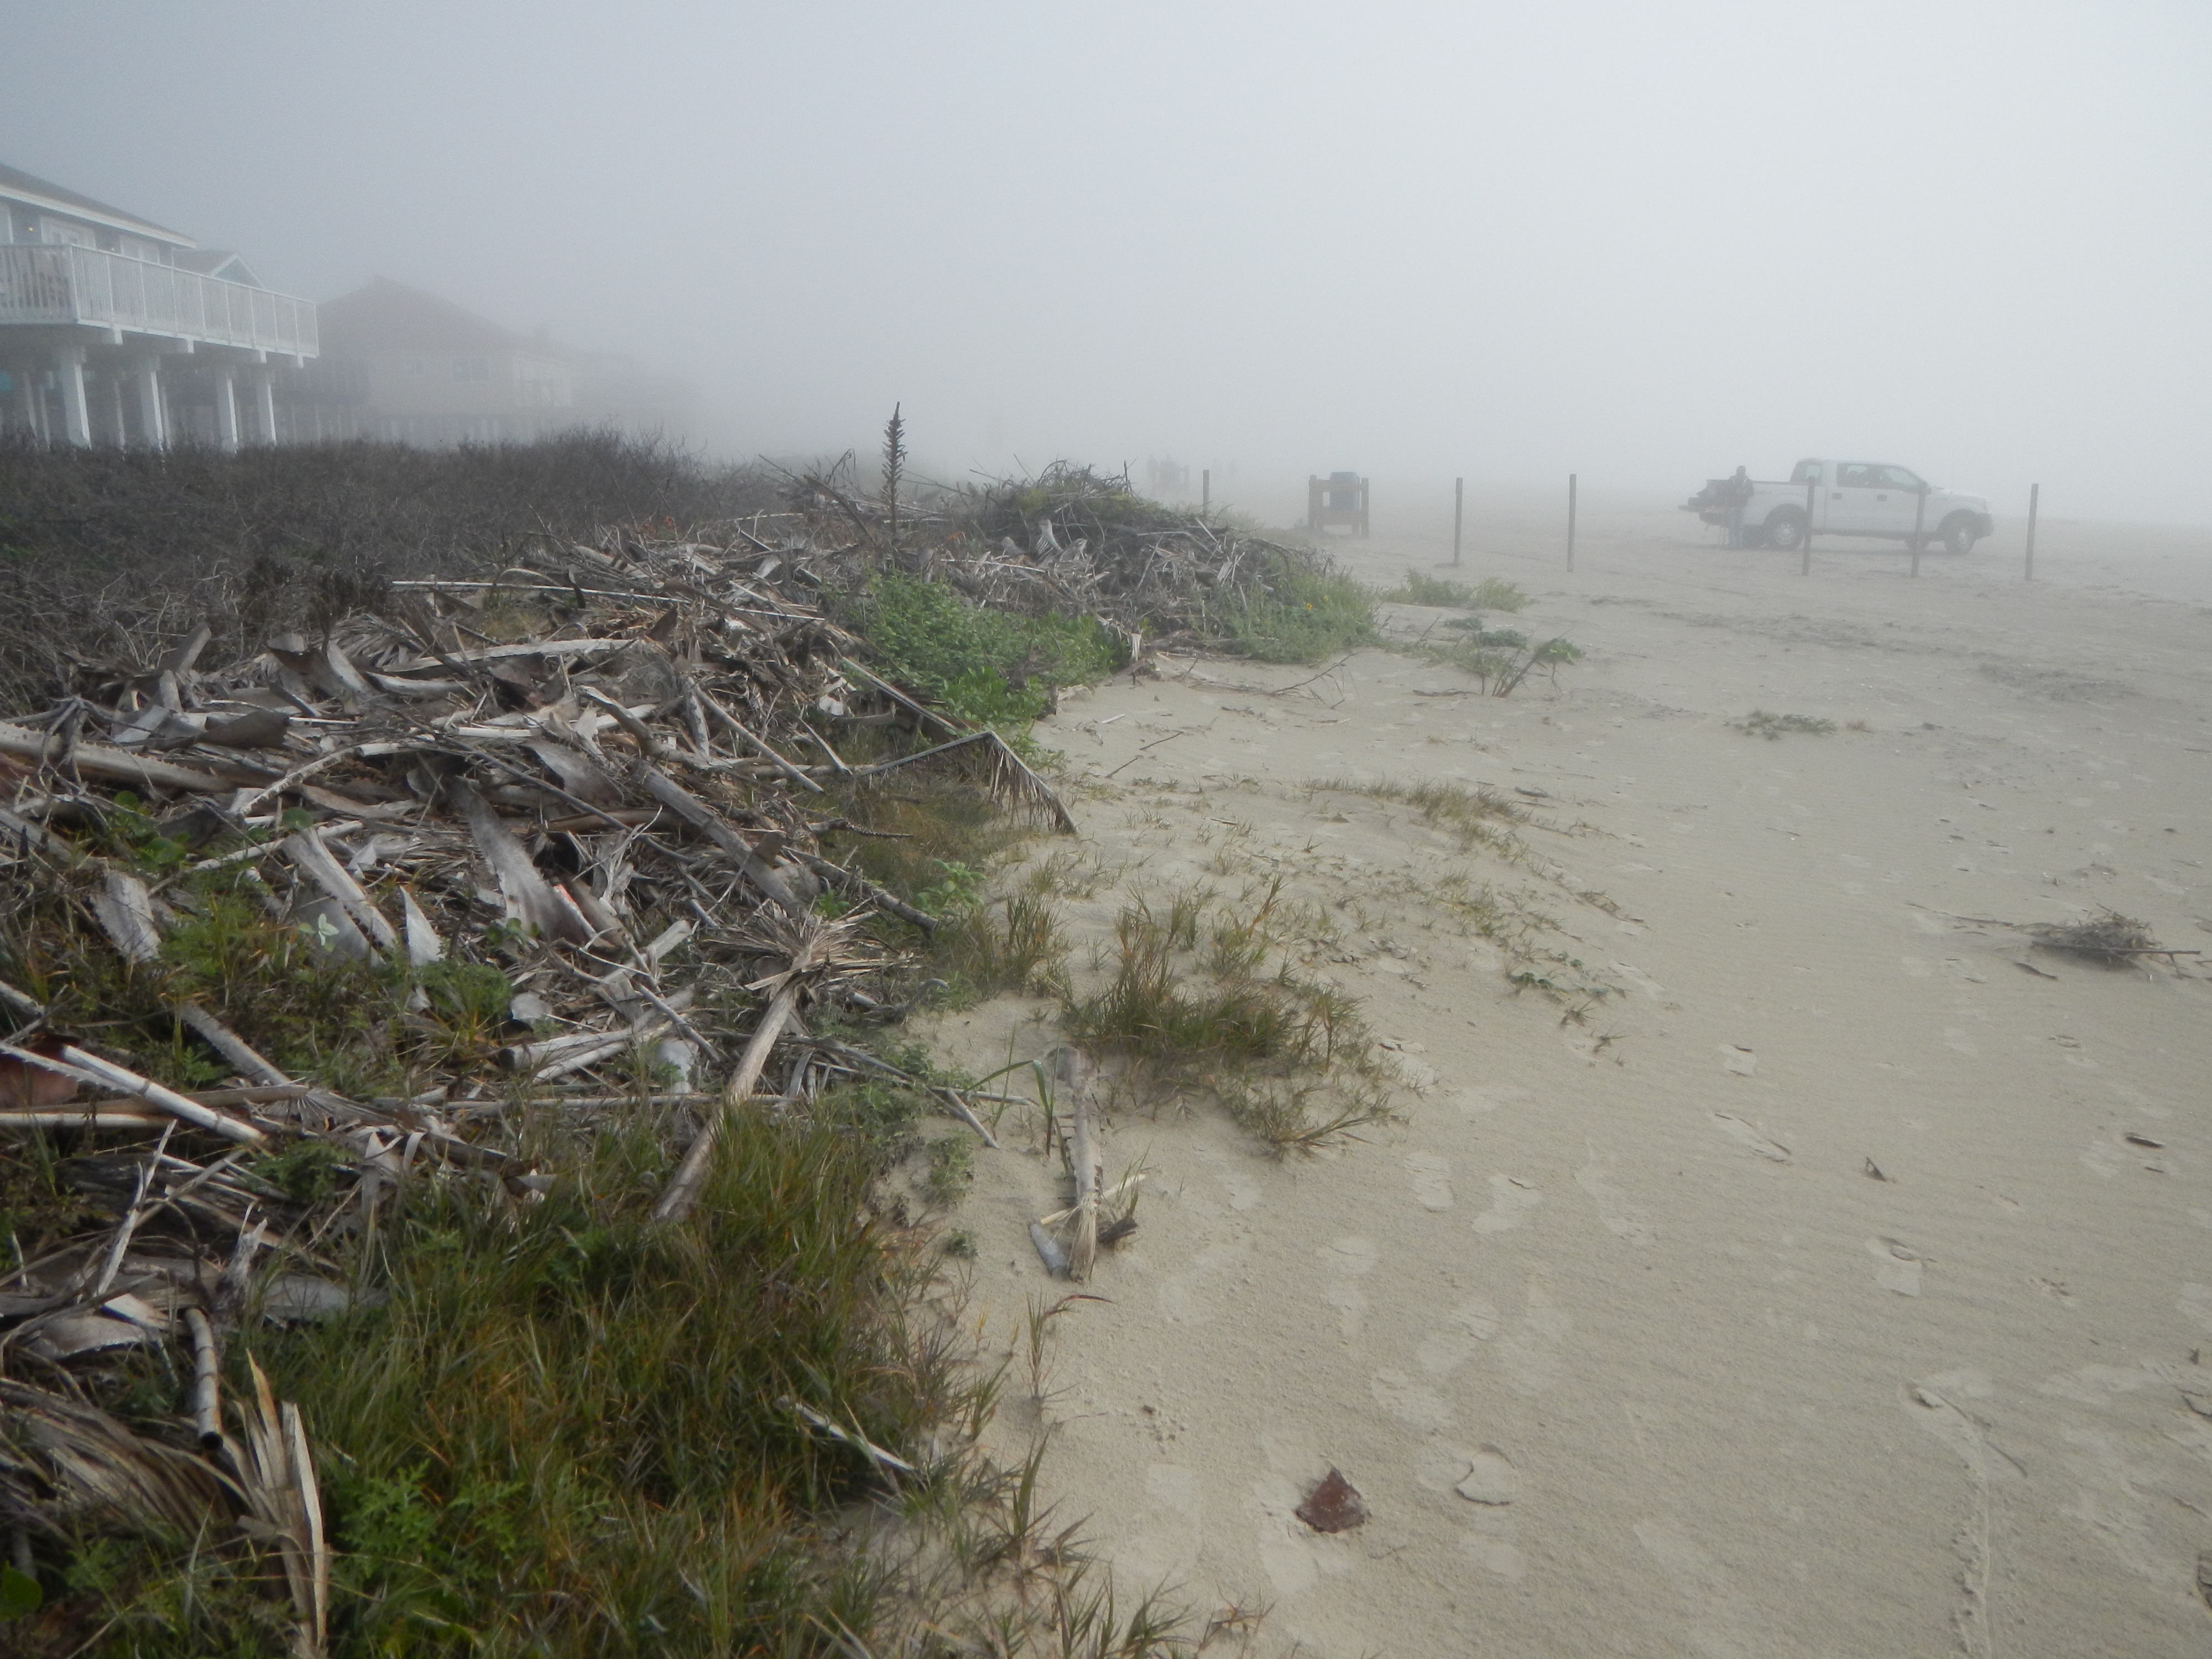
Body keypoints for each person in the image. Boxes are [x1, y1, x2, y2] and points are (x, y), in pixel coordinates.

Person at [1723, 466, 1752, 548]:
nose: (1741, 473)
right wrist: (1735, 492)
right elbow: (1726, 491)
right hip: (1733, 505)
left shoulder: (1748, 482)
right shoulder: (1732, 481)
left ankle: (1738, 544)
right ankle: (1733, 544)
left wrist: (1744, 493)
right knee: (1733, 526)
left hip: (1741, 506)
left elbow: (1751, 493)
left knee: (1739, 526)